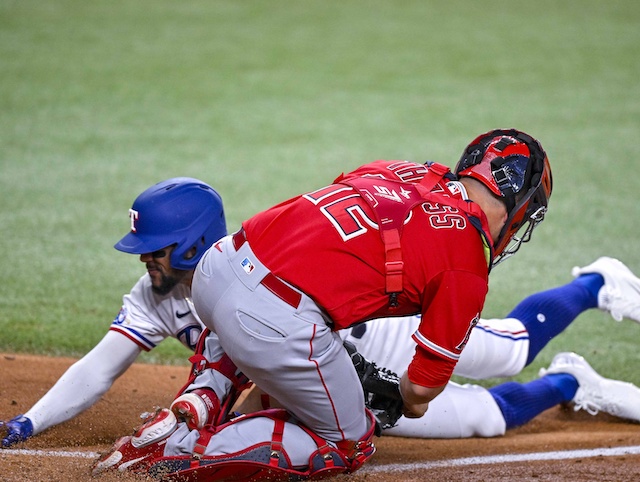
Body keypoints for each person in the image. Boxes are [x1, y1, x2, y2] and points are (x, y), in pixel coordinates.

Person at [92, 128, 556, 479]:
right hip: (267, 319)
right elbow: (419, 394)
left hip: (220, 265)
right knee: (349, 443)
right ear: (521, 204)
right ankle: (180, 453)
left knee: (268, 324)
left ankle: (204, 396)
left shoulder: (397, 169)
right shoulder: (466, 266)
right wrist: (388, 399)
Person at [0, 177, 228, 448]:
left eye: (156, 249)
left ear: (193, 245)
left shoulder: (248, 284)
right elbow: (98, 368)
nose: (144, 258)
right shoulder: (154, 294)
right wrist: (29, 422)